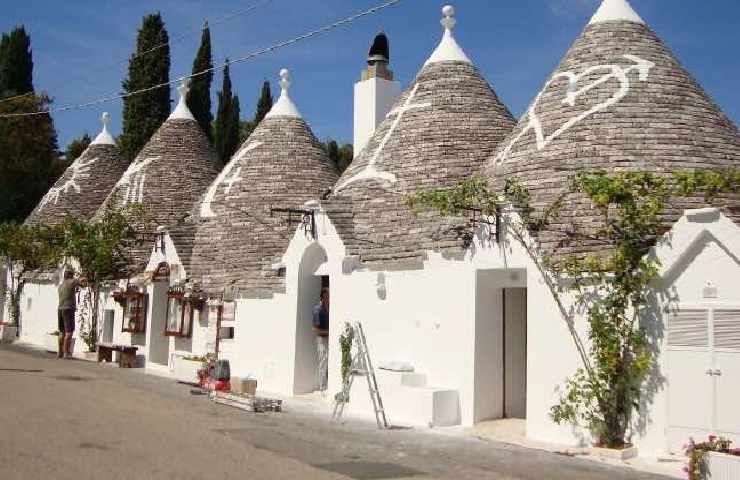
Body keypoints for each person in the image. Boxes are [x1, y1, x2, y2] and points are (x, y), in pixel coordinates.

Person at [57, 269, 87, 359]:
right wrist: (84, 277)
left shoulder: (61, 285)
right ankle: (66, 352)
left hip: (60, 308)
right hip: (68, 308)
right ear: (70, 275)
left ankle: (60, 352)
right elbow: (82, 282)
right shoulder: (72, 281)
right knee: (69, 332)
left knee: (62, 332)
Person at [312, 288, 329, 391]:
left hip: (328, 339)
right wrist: (329, 332)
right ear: (323, 297)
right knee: (322, 363)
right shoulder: (317, 309)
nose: (328, 298)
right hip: (322, 340)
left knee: (327, 363)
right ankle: (322, 387)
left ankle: (325, 385)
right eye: (327, 296)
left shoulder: (328, 308)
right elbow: (315, 329)